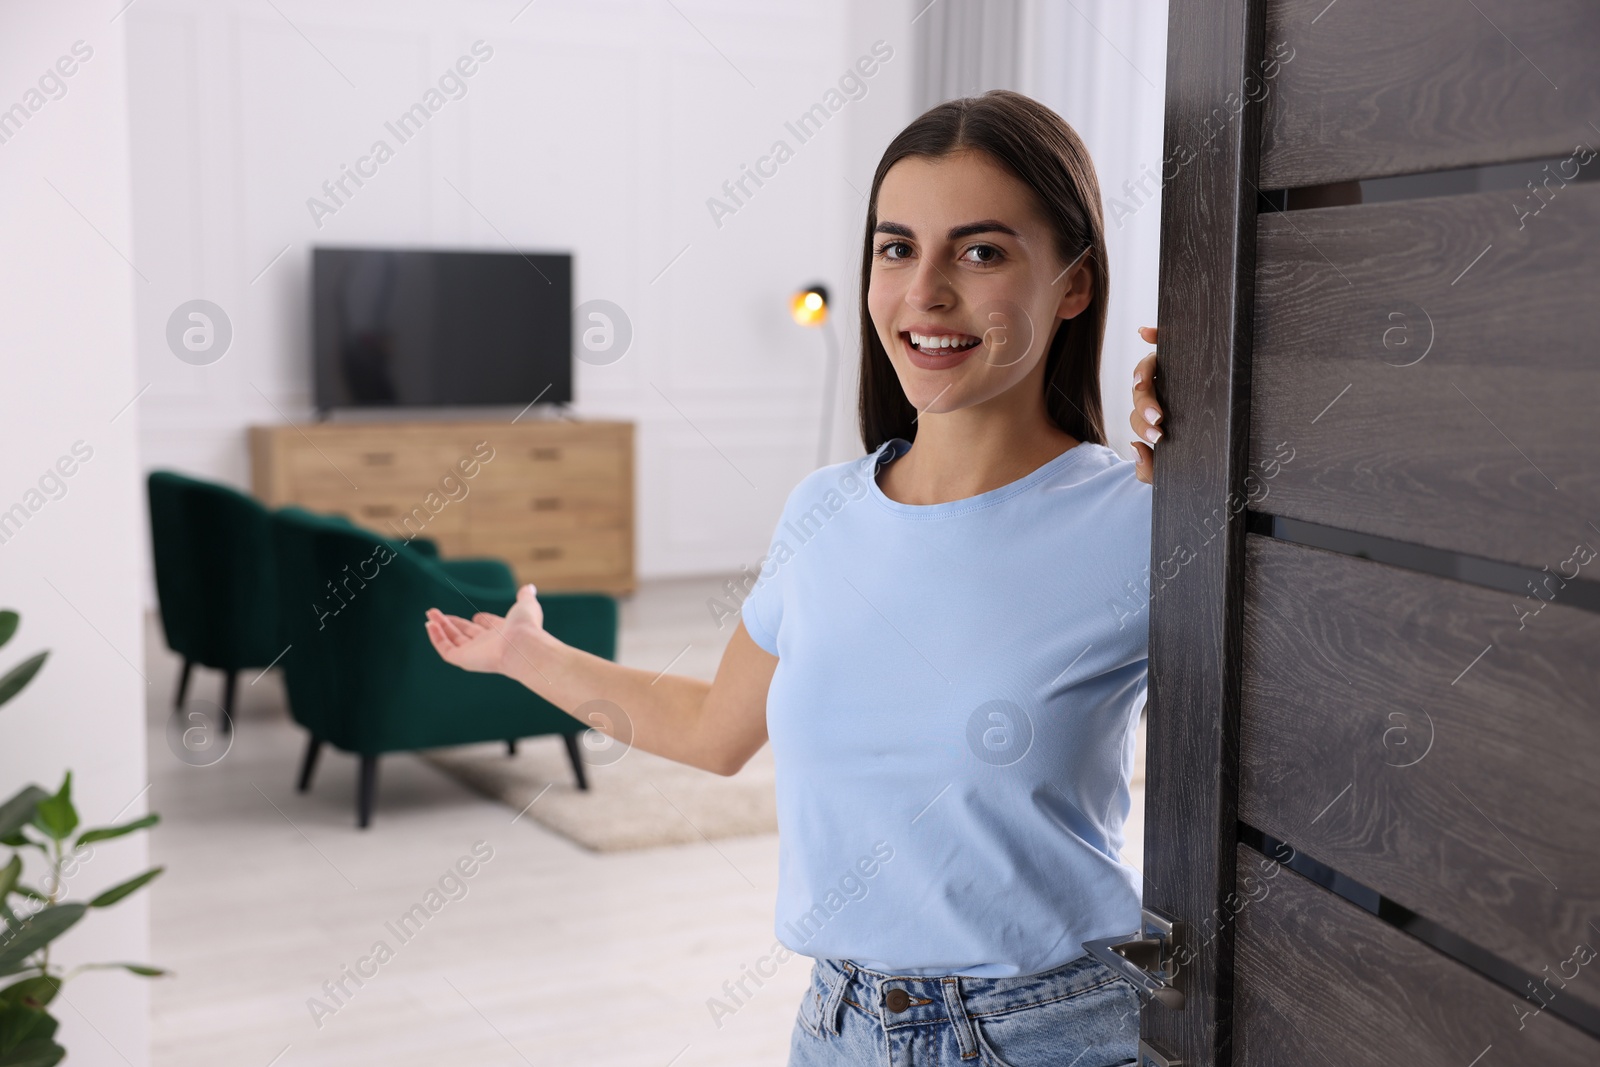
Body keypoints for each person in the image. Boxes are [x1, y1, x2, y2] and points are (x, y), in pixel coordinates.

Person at [425, 89, 1167, 1067]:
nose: (926, 291)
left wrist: (1233, 444)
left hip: (1050, 1030)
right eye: (897, 248)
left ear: (1073, 284)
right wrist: (531, 655)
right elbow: (716, 729)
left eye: (980, 251)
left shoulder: (1143, 519)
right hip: (839, 1025)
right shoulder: (824, 510)